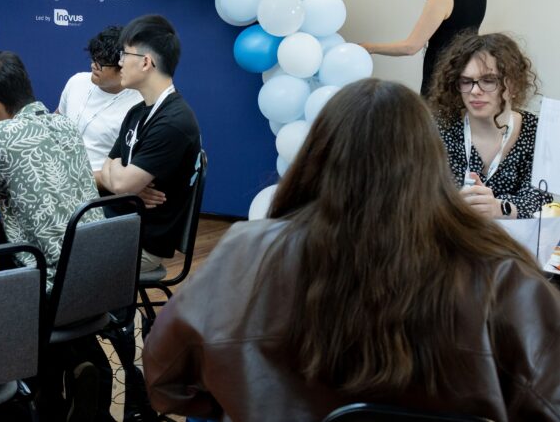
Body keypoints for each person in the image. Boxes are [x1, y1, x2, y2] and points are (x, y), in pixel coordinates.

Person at [142, 79, 560, 421]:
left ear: (317, 156)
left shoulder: (244, 253)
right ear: (431, 162)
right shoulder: (501, 273)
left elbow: (165, 382)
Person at [0, 51, 112, 421]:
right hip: (98, 276)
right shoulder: (66, 126)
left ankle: (30, 397)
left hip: (50, 289)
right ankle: (79, 366)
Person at [97, 15, 201, 422]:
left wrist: (119, 180)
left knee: (57, 274)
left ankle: (126, 391)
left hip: (141, 246)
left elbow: (119, 178)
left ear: (147, 63)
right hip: (117, 229)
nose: (117, 63)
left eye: (123, 56)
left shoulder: (174, 121)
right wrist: (118, 179)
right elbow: (112, 171)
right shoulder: (139, 112)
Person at [428, 32, 553, 219]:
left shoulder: (537, 131)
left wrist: (500, 208)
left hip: (513, 244)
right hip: (450, 240)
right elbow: (418, 195)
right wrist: (453, 206)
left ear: (513, 84)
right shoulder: (439, 128)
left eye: (488, 81)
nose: (475, 90)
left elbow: (541, 199)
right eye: (466, 81)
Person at [57, 26, 142, 192]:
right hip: (60, 179)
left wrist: (71, 178)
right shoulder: (76, 81)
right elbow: (56, 121)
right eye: (93, 58)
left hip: (100, 192)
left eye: (101, 63)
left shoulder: (138, 107)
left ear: (122, 66)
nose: (93, 65)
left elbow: (126, 177)